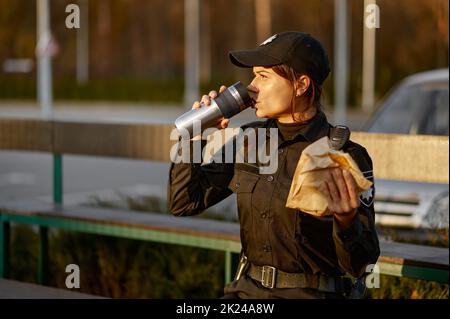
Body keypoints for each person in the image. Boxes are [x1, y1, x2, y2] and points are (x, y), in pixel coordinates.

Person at [168, 31, 380, 299]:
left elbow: (362, 264)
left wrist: (347, 222)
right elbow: (184, 202)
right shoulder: (250, 139)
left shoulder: (340, 155)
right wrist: (194, 135)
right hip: (245, 293)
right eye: (254, 75)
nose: (252, 86)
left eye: (264, 76)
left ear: (301, 84)